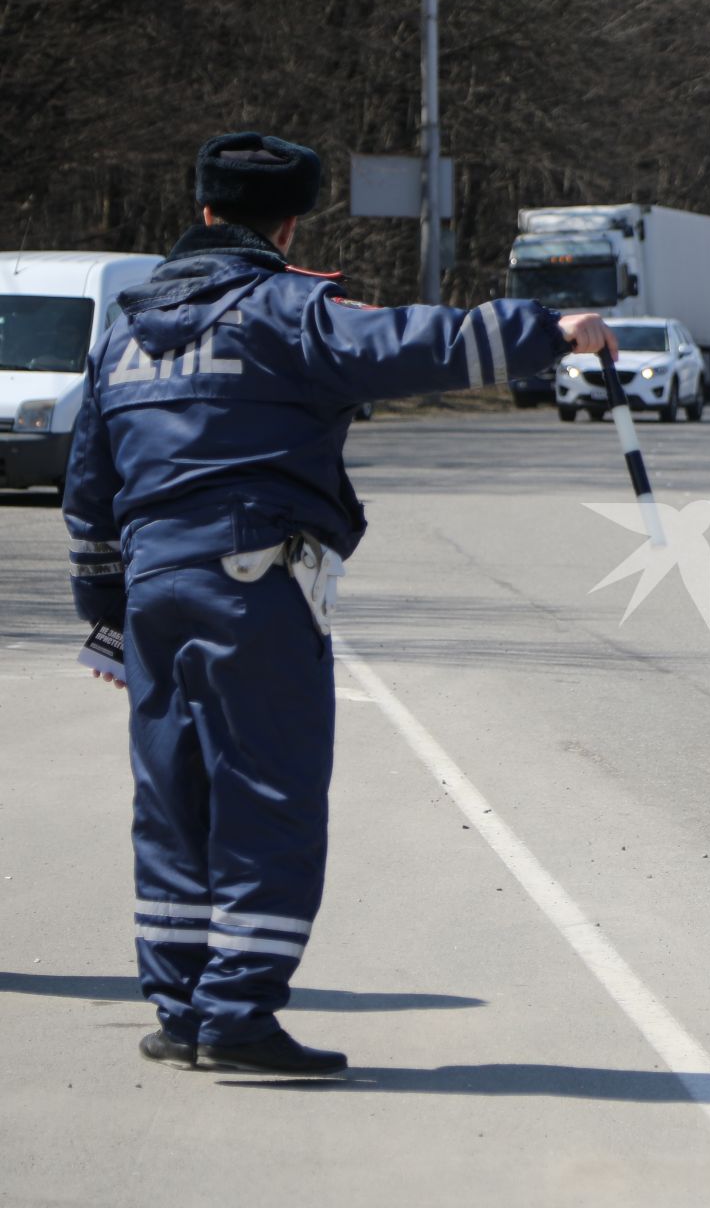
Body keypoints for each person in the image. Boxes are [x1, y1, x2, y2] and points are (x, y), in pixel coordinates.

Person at [62, 132, 617, 1076]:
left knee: (172, 799)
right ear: (286, 223)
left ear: (203, 213)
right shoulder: (284, 309)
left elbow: (89, 489)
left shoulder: (124, 328)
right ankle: (237, 1018)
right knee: (268, 795)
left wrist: (108, 617)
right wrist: (549, 330)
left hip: (154, 588)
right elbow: (408, 343)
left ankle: (180, 1007)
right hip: (255, 583)